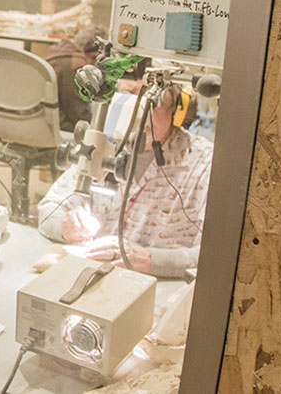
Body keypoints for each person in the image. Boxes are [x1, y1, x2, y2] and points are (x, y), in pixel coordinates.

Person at [36, 85, 213, 278]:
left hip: (157, 290)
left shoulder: (205, 162)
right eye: (128, 97)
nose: (138, 111)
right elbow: (48, 210)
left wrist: (152, 261)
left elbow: (213, 255)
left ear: (177, 109)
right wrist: (65, 227)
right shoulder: (103, 144)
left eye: (151, 103)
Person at [45, 25, 101, 132]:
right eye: (96, 59)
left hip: (46, 123)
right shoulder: (76, 64)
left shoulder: (57, 54)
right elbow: (78, 113)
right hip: (62, 128)